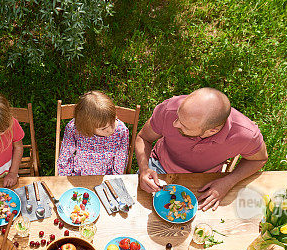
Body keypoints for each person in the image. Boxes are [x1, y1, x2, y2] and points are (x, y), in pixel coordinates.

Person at [135, 87, 268, 210]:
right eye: (178, 117)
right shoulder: (169, 109)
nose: (175, 124)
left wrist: (228, 182)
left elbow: (258, 160)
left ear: (212, 130)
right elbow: (143, 138)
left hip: (205, 182)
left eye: (184, 126)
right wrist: (144, 169)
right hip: (158, 169)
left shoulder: (245, 134)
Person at [56, 91, 130, 176]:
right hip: (80, 174)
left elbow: (121, 158)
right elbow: (65, 154)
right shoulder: (74, 128)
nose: (111, 129)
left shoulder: (121, 130)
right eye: (104, 128)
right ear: (88, 127)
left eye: (113, 121)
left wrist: (115, 177)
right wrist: (65, 176)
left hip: (106, 175)